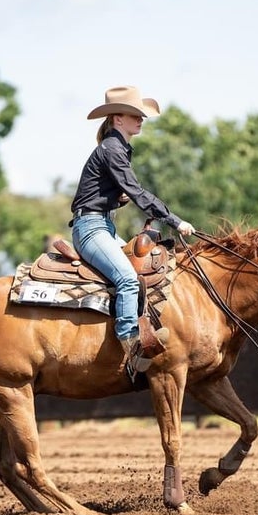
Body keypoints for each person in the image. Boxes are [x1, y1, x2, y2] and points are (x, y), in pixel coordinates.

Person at [70, 85, 195, 375]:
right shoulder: (112, 149)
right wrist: (175, 220)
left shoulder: (118, 148)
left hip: (101, 223)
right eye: (134, 115)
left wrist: (116, 197)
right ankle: (131, 345)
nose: (141, 120)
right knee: (127, 279)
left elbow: (115, 192)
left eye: (141, 115)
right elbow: (138, 192)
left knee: (139, 272)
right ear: (117, 119)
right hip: (90, 227)